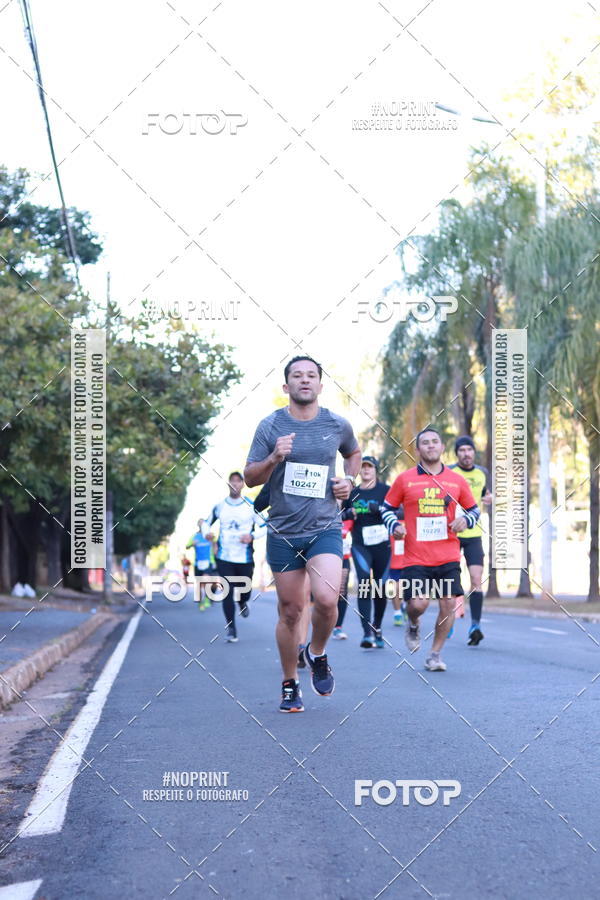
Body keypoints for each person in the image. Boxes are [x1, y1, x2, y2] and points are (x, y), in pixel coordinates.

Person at [244, 355, 361, 712]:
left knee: (327, 599)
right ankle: (289, 682)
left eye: (311, 376)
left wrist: (349, 481)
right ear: (286, 386)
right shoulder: (270, 426)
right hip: (283, 530)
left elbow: (353, 453)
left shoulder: (337, 424)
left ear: (321, 385)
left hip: (324, 525)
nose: (305, 380)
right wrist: (274, 459)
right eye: (297, 376)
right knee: (291, 612)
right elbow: (250, 477)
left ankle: (317, 652)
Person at [380, 427, 480, 672]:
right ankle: (413, 623)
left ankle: (435, 654)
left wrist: (466, 521)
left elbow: (474, 510)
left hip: (447, 555)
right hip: (416, 557)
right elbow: (385, 508)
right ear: (418, 450)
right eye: (425, 442)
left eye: (435, 442)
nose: (431, 446)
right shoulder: (405, 479)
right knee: (419, 604)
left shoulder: (457, 480)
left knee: (448, 605)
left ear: (442, 447)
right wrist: (394, 525)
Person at [206, 472, 266, 642]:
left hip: (245, 557)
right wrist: (207, 533)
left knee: (244, 590)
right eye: (231, 481)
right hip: (224, 557)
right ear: (228, 484)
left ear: (242, 485)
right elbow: (205, 523)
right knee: (227, 593)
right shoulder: (220, 506)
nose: (235, 484)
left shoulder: (250, 505)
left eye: (238, 481)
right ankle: (231, 628)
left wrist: (252, 536)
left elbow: (265, 525)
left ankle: (242, 602)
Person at [342, 456, 391, 648]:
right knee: (363, 583)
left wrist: (379, 509)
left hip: (382, 545)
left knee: (380, 587)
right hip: (360, 544)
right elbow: (340, 515)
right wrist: (347, 514)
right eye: (363, 467)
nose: (366, 470)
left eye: (370, 467)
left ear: (376, 470)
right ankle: (367, 633)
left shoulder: (386, 491)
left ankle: (377, 626)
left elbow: (401, 512)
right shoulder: (352, 493)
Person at [449, 436, 492, 646]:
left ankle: (475, 625)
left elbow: (487, 494)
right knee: (450, 581)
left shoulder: (482, 473)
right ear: (456, 454)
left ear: (474, 452)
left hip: (474, 534)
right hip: (451, 535)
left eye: (469, 450)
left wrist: (489, 498)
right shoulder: (449, 473)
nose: (466, 453)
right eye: (462, 450)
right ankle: (446, 621)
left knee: (476, 579)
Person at [332, 517, 354, 639]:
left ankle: (338, 627)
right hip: (325, 559)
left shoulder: (350, 518)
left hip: (344, 559)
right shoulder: (325, 515)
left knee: (341, 591)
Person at [186, 519, 213, 609]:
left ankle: (207, 599)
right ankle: (201, 601)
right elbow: (187, 546)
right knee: (199, 583)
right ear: (198, 525)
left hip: (208, 562)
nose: (202, 525)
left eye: (203, 523)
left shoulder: (209, 535)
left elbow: (217, 542)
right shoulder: (195, 536)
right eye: (200, 523)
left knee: (206, 580)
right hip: (198, 563)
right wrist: (192, 544)